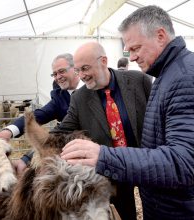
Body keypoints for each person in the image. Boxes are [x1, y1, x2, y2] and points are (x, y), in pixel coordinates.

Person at [61, 5, 194, 220]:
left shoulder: (183, 78)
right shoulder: (170, 72)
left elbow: (185, 162)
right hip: (168, 199)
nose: (130, 58)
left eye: (135, 48)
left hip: (182, 209)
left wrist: (104, 156)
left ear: (160, 36)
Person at [54, 42, 151, 220]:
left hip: (147, 165)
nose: (81, 76)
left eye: (85, 68)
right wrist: (27, 158)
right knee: (125, 214)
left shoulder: (139, 80)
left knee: (155, 210)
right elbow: (60, 132)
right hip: (114, 173)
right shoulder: (79, 98)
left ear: (104, 61)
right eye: (78, 70)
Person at [0, 53, 83, 173]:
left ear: (75, 69)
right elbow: (39, 115)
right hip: (69, 154)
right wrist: (8, 132)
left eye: (62, 71)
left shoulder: (92, 87)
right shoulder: (59, 96)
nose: (58, 77)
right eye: (55, 74)